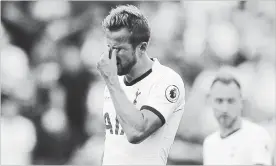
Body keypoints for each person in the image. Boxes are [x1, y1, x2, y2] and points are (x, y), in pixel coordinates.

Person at [96, 4, 185, 165]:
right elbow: (113, 143)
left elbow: (136, 132)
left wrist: (111, 81)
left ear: (142, 47)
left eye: (118, 49)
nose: (111, 56)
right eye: (109, 47)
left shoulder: (166, 81)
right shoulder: (114, 84)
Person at [203, 71, 273, 165]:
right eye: (219, 101)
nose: (225, 109)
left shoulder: (257, 136)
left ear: (241, 102)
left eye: (231, 101)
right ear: (210, 102)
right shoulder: (209, 143)